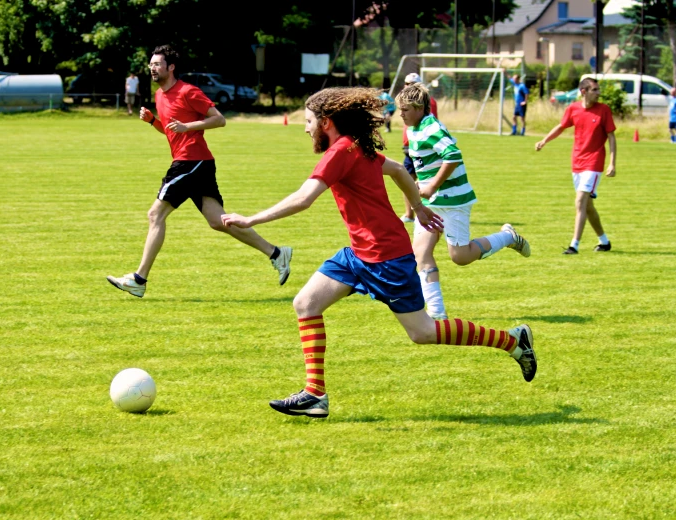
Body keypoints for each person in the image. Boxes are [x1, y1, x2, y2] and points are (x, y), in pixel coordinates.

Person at [221, 87, 537, 418]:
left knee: (423, 332)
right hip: (359, 255)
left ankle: (513, 341)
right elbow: (400, 169)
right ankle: (315, 395)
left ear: (326, 122)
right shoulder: (357, 147)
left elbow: (304, 198)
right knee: (305, 303)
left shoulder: (341, 152)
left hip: (386, 257)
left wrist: (252, 218)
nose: (305, 128)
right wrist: (418, 207)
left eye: (309, 121)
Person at [107, 45, 292, 298]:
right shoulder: (160, 96)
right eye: (151, 64)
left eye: (157, 64)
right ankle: (276, 253)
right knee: (218, 221)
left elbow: (219, 119)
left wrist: (188, 125)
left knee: (155, 215)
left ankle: (139, 279)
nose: (152, 67)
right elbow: (172, 131)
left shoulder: (187, 91)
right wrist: (153, 122)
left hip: (190, 162)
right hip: (197, 163)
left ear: (171, 67)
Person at [396, 83, 530, 320]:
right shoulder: (414, 128)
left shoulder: (431, 127)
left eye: (405, 109)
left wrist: (432, 185)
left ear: (419, 108)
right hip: (432, 202)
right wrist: (422, 184)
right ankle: (437, 314)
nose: (401, 114)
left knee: (460, 257)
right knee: (421, 253)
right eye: (400, 110)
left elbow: (453, 156)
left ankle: (508, 236)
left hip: (453, 199)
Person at [535, 78, 616, 255]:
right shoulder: (573, 109)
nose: (598, 93)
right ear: (584, 91)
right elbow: (561, 126)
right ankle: (604, 241)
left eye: (598, 89)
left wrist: (612, 163)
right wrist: (544, 141)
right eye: (595, 89)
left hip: (594, 163)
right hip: (577, 163)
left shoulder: (604, 110)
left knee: (579, 201)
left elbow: (611, 136)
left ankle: (574, 245)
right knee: (587, 206)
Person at [400, 72, 438, 223]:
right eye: (407, 84)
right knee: (407, 180)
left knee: (418, 180)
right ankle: (409, 214)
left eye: (413, 84)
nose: (409, 87)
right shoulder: (404, 101)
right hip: (408, 146)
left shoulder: (428, 101)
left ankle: (424, 212)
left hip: (421, 147)